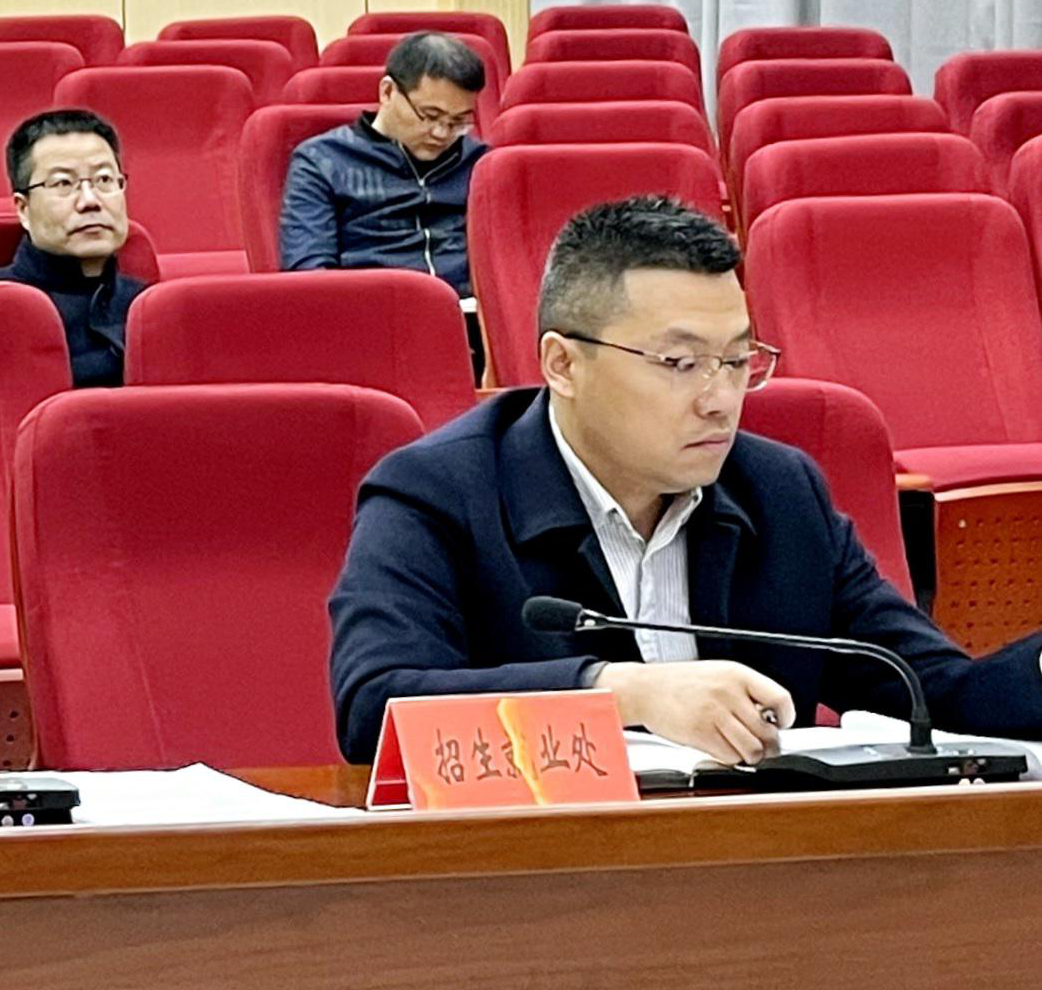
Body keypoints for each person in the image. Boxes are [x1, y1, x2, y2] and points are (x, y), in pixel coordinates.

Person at [328, 195, 1042, 763]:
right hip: (537, 875)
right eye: (680, 363)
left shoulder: (779, 490)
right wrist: (624, 694)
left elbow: (935, 693)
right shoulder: (436, 493)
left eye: (736, 360)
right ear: (562, 364)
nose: (720, 398)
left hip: (753, 870)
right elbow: (374, 708)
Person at [279, 30, 489, 299]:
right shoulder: (323, 160)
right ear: (388, 92)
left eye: (458, 121)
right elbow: (309, 273)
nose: (441, 133)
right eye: (430, 115)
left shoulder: (480, 163)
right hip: (371, 309)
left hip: (470, 314)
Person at [0, 109, 147, 389]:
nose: (90, 201)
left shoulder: (148, 306)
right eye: (63, 183)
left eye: (104, 180)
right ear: (23, 209)